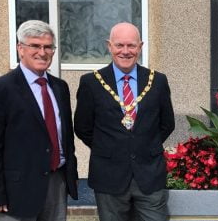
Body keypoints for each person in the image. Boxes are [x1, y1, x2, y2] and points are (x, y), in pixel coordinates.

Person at [0, 20, 79, 221]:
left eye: (48, 47)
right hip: (15, 193)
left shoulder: (60, 88)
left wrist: (69, 178)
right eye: (35, 45)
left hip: (56, 183)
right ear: (20, 49)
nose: (42, 52)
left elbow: (64, 136)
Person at [74, 22, 175, 221]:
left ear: (140, 46)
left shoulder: (158, 81)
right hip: (109, 176)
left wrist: (144, 145)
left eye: (131, 46)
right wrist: (110, 148)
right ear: (109, 46)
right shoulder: (91, 83)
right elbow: (83, 127)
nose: (125, 51)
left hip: (149, 176)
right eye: (119, 45)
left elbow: (167, 124)